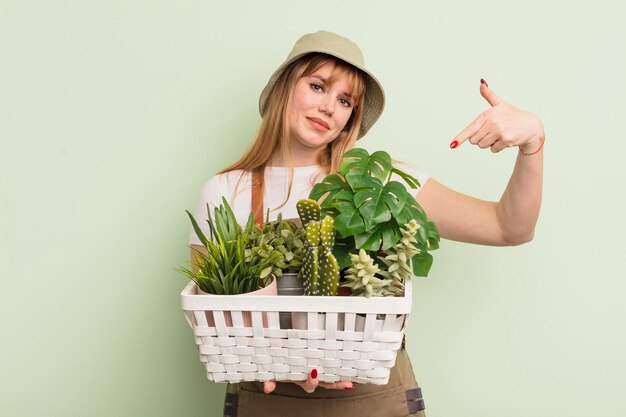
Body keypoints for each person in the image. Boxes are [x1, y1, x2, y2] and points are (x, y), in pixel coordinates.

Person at [189, 30, 544, 417]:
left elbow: (510, 228)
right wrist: (289, 364)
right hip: (266, 399)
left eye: (344, 101)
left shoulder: (379, 184)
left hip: (372, 400)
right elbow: (214, 320)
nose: (329, 107)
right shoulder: (225, 192)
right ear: (282, 89)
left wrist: (533, 143)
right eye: (318, 86)